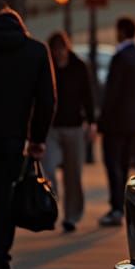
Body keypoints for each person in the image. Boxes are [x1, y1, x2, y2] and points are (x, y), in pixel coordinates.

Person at [0, 0, 55, 269]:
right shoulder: (36, 51)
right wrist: (37, 138)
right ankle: (0, 259)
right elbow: (47, 100)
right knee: (5, 199)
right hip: (14, 138)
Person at [97, 16, 135, 226]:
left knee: (112, 164)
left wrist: (102, 120)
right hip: (134, 121)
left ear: (121, 31)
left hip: (116, 122)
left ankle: (116, 207)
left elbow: (112, 93)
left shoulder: (120, 58)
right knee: (125, 165)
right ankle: (123, 206)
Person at [43, 31, 95, 233]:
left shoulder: (79, 67)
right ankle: (51, 205)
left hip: (74, 126)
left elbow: (87, 96)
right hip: (52, 127)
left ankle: (72, 216)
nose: (58, 54)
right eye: (55, 50)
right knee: (48, 167)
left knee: (74, 175)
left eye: (61, 49)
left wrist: (92, 122)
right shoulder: (47, 67)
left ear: (67, 47)